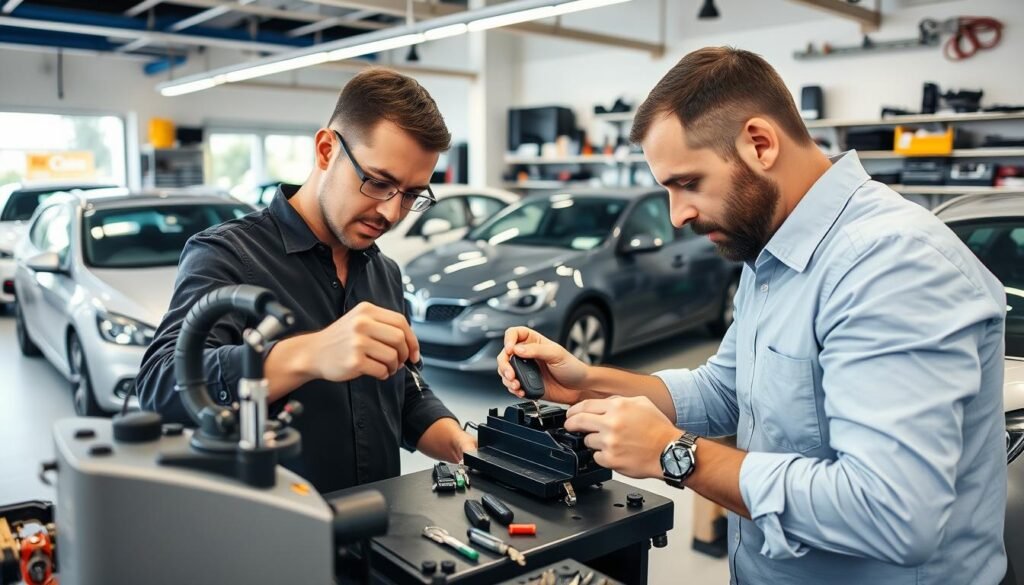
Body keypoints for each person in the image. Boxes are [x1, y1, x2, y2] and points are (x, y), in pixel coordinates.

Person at [497, 47, 1007, 584]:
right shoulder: (771, 251)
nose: (678, 215)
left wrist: (676, 454)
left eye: (688, 183)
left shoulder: (890, 265)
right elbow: (727, 389)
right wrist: (585, 383)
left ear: (760, 144)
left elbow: (891, 512)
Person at [138, 68, 476, 494]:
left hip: (377, 533)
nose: (392, 213)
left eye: (411, 195)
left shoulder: (384, 272)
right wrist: (308, 354)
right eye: (378, 182)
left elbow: (404, 391)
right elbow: (159, 384)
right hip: (278, 540)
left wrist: (462, 444)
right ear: (325, 149)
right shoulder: (227, 255)